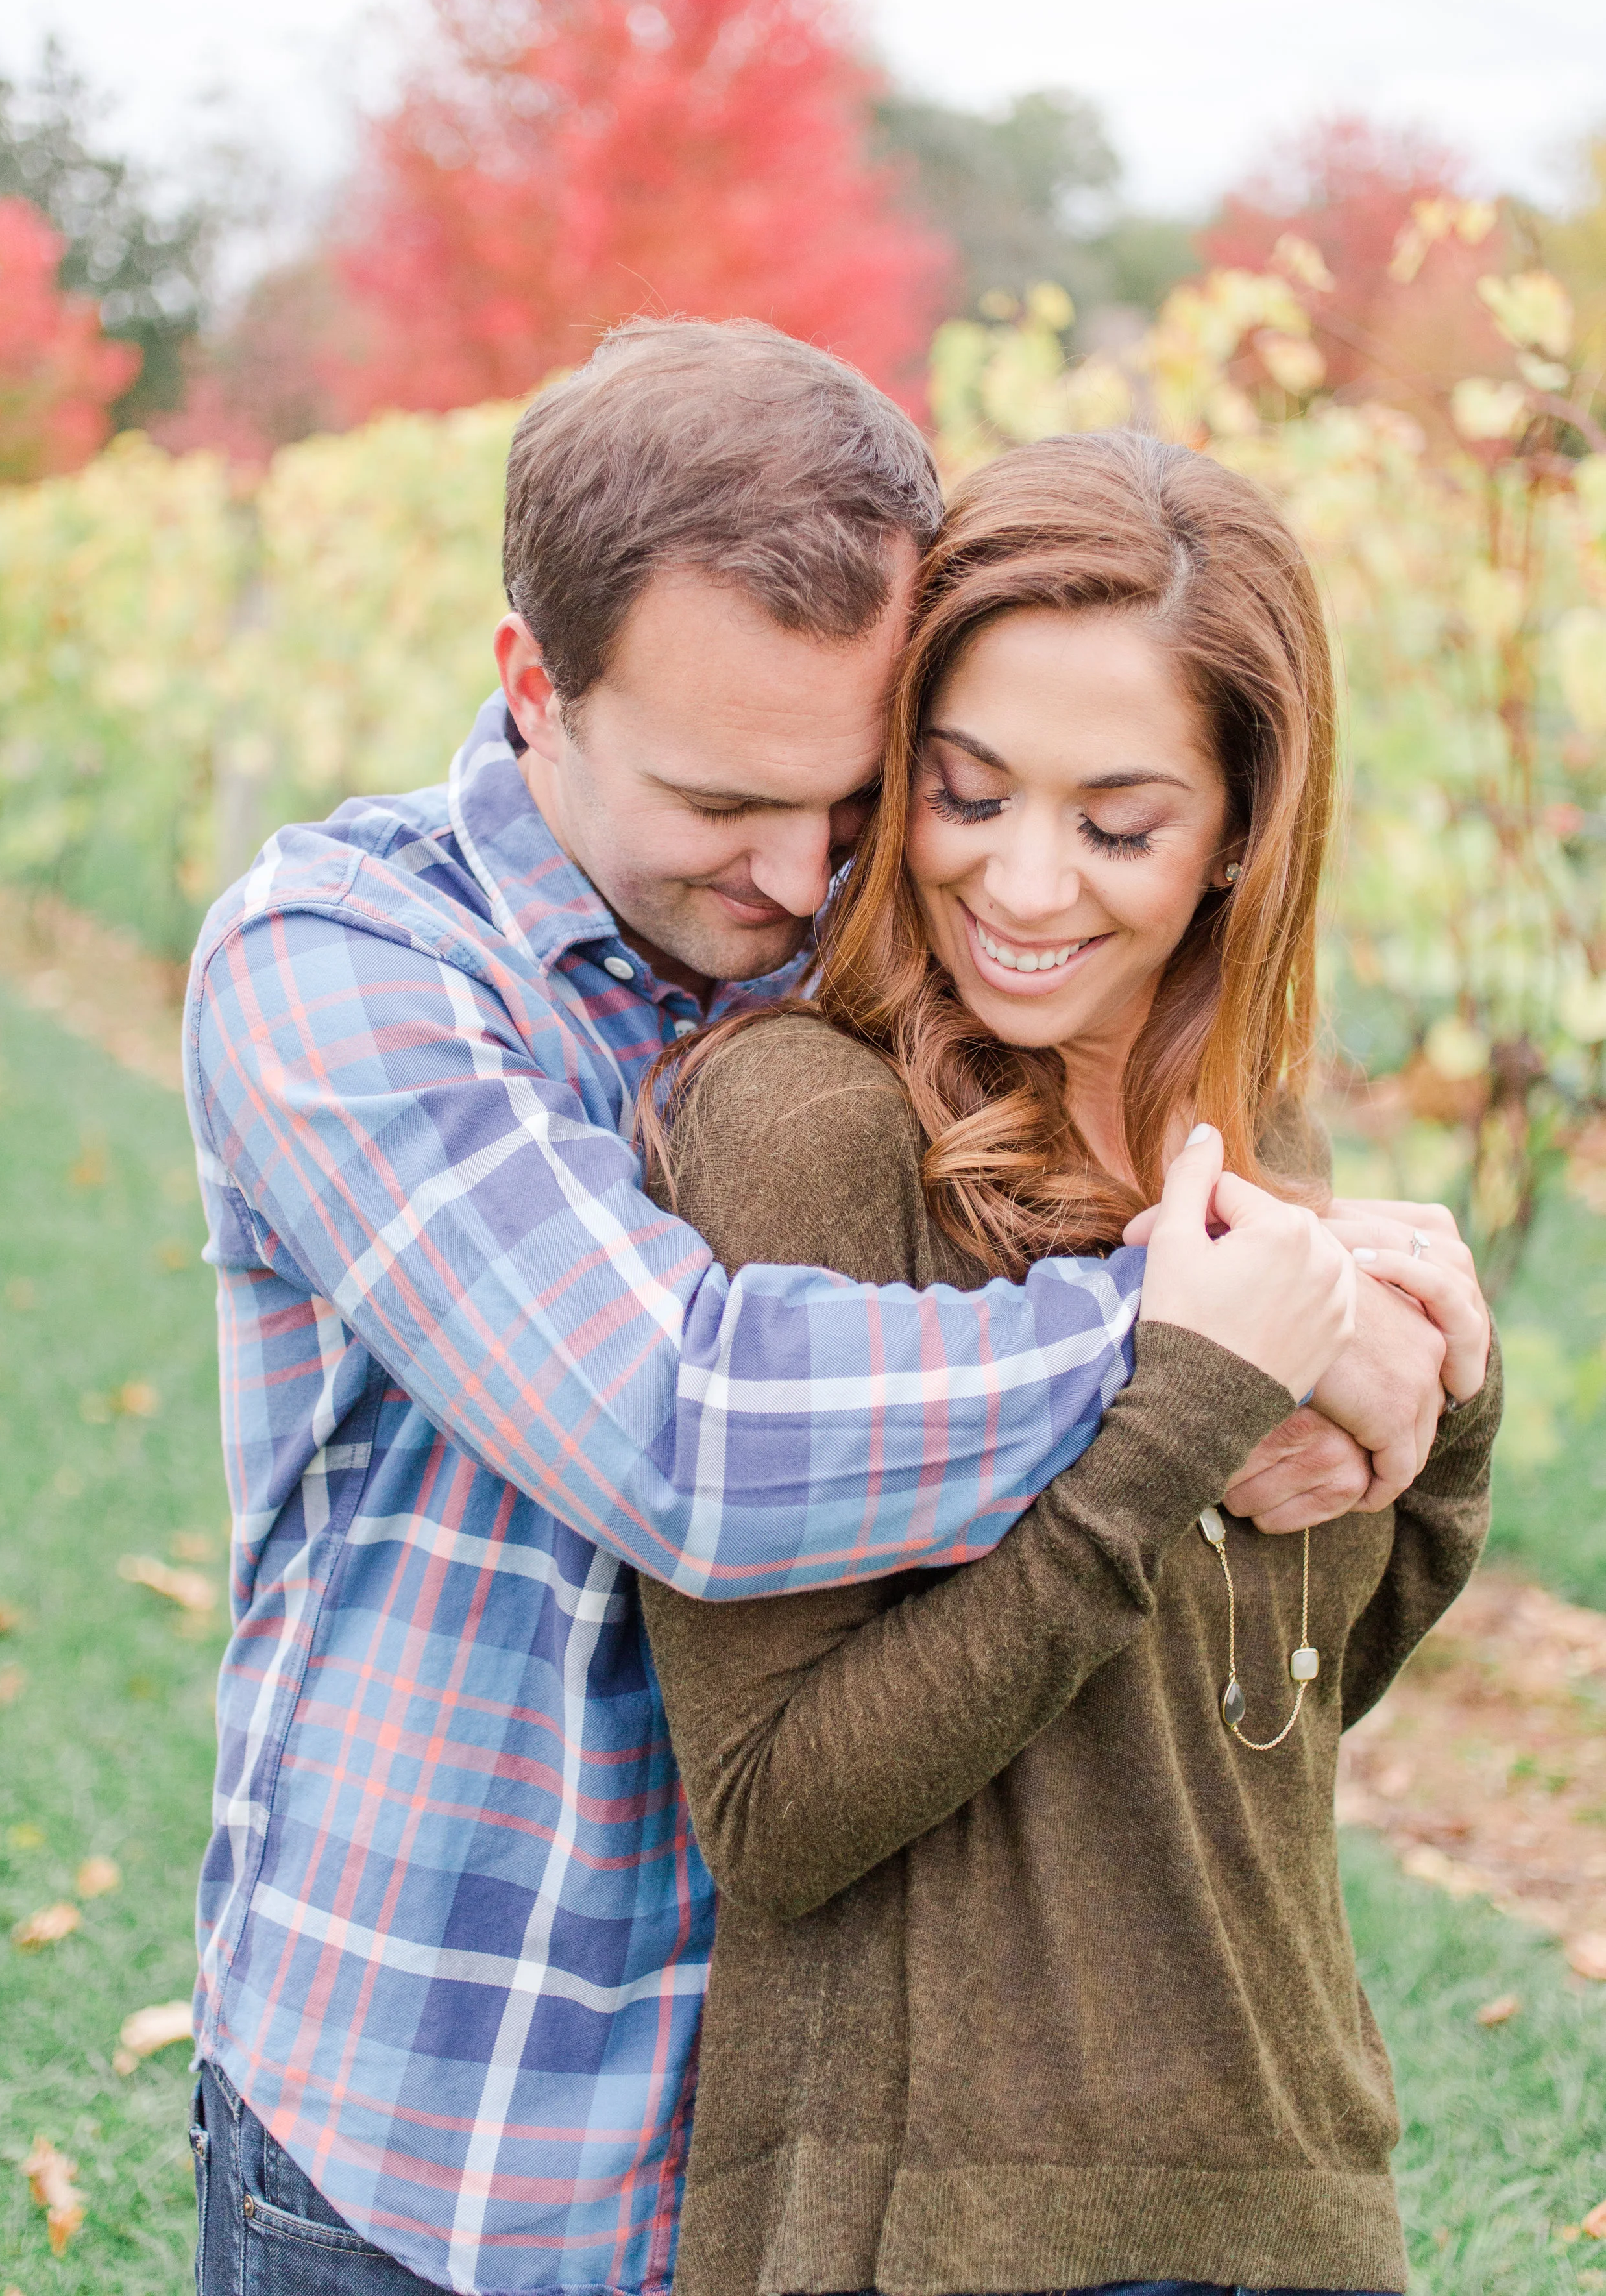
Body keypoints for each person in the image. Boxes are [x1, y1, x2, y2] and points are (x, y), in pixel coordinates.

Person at [184, 321, 1448, 2296]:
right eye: (721, 802)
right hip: (443, 2126)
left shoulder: (900, 1000)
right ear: (535, 685)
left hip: (780, 2143)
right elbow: (670, 1428)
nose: (797, 874)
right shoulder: (348, 964)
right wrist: (1203, 1342)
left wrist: (1374, 1354)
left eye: (855, 795)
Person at [637, 429, 1500, 2296]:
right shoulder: (809, 1124)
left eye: (1118, 823)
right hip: (946, 2223)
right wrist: (1166, 1427)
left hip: (1287, 2184)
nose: (1025, 883)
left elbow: (1249, 1725)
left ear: (1240, 834)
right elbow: (778, 1813)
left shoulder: (1244, 1128)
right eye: (964, 794)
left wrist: (1438, 1408)